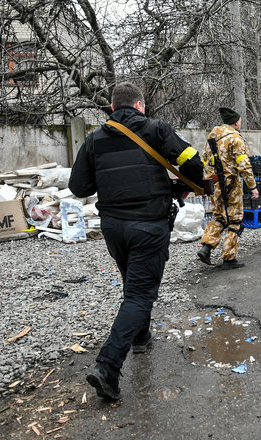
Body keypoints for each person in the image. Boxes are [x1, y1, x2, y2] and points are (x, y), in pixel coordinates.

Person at [69, 82, 203, 400]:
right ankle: (107, 367)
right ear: (140, 106)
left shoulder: (94, 139)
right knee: (140, 295)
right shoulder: (156, 130)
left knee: (133, 285)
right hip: (148, 226)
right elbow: (193, 161)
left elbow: (78, 186)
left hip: (113, 228)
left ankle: (141, 338)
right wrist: (186, 187)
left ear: (113, 108)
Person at [197, 107, 258, 269]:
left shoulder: (213, 135)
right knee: (235, 220)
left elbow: (204, 158)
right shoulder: (235, 139)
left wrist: (212, 177)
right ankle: (229, 259)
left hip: (213, 184)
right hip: (231, 185)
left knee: (219, 217)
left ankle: (206, 247)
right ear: (236, 122)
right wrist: (252, 186)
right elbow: (244, 165)